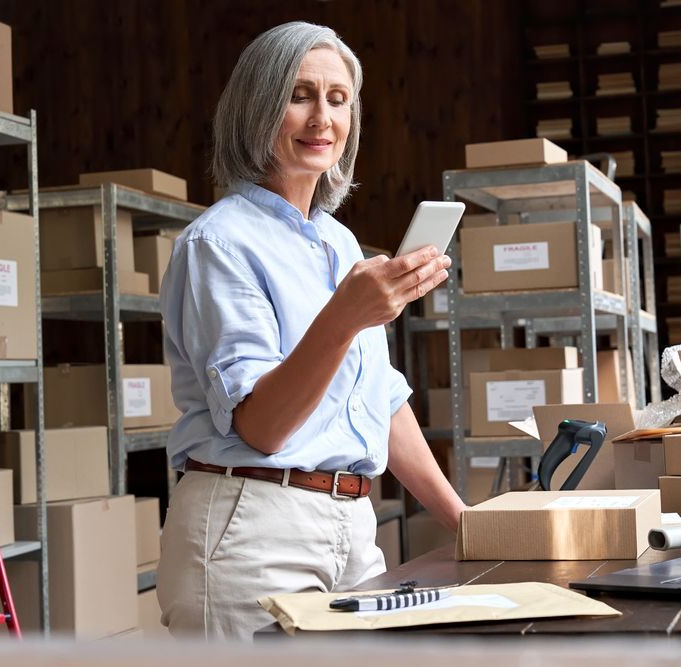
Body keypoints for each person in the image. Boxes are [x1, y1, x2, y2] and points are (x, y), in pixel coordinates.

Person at [155, 21, 467, 641]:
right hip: (252, 526)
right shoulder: (218, 243)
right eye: (299, 95)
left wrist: (466, 523)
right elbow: (261, 427)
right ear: (257, 107)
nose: (321, 117)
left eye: (338, 98)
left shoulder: (337, 241)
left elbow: (378, 398)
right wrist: (347, 316)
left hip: (352, 525)